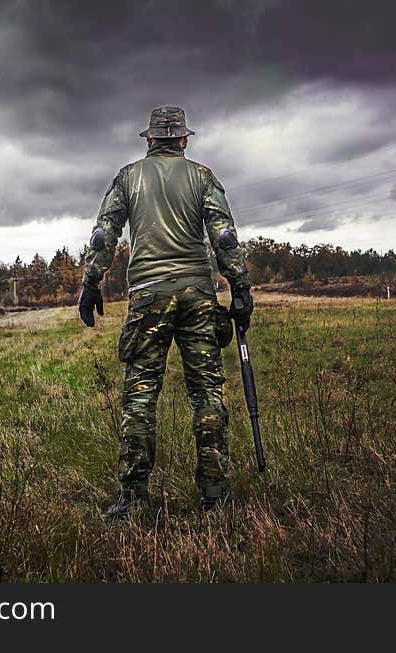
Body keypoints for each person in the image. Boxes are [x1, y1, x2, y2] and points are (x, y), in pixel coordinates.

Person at [78, 106, 253, 518]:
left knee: (140, 396)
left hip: (148, 295)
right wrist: (240, 287)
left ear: (150, 139)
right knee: (207, 393)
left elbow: (104, 234)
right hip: (198, 294)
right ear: (184, 140)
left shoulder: (128, 177)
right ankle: (214, 492)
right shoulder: (202, 177)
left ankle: (132, 498)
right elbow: (224, 236)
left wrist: (91, 283)